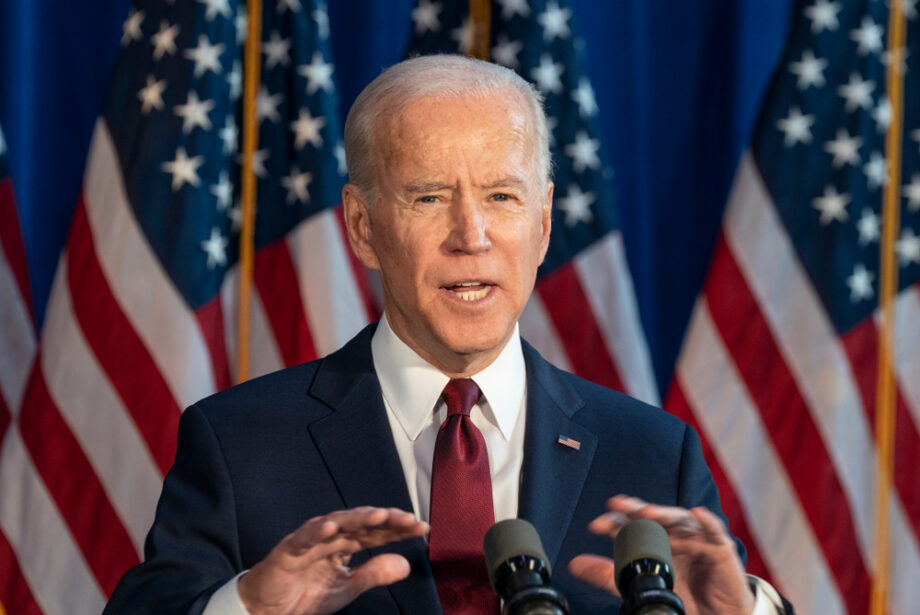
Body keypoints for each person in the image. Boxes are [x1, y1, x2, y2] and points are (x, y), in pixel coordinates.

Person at [104, 55, 792, 615]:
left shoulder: (652, 454)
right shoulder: (240, 444)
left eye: (501, 196)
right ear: (362, 226)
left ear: (544, 221)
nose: (472, 236)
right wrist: (248, 609)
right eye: (430, 197)